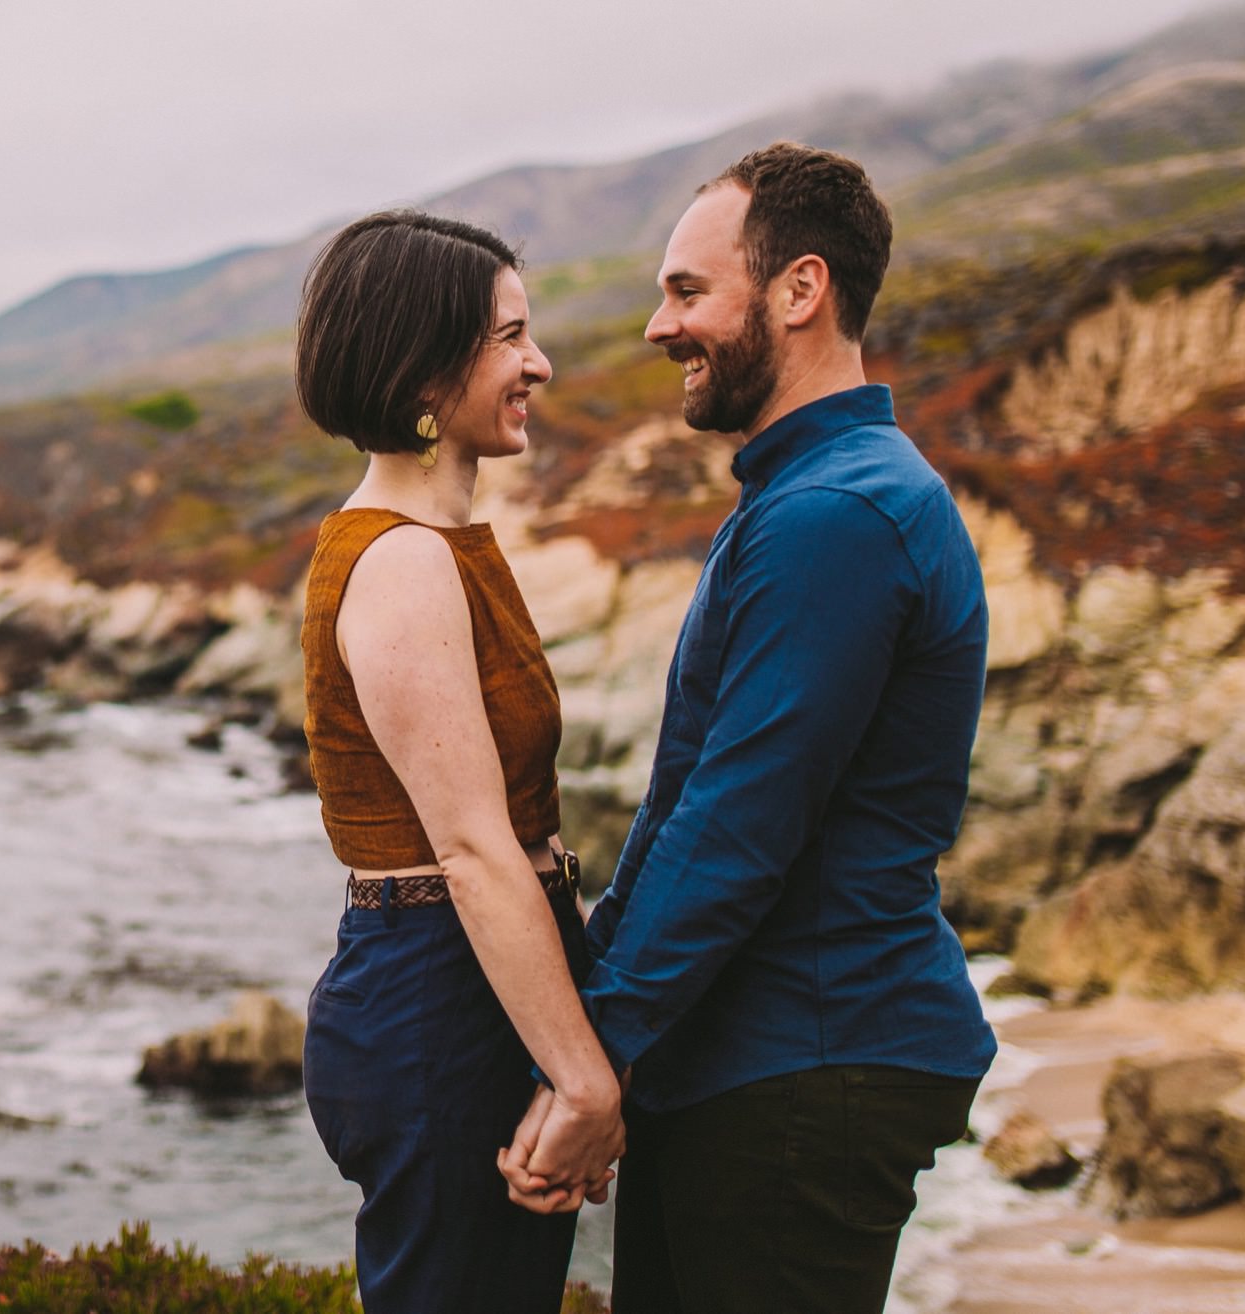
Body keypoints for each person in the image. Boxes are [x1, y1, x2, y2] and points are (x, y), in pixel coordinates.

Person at [501, 142, 998, 1311]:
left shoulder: (835, 513)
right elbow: (691, 804)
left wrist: (593, 1061)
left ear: (798, 290)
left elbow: (738, 822)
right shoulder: (814, 492)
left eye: (685, 290)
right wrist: (593, 1027)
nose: (654, 326)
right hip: (759, 1055)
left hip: (804, 1062)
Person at [293, 210, 622, 1312]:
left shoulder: (436, 546)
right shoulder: (398, 563)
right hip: (437, 1008)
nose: (538, 362)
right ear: (423, 367)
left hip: (464, 998)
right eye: (507, 337)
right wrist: (583, 1078)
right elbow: (478, 850)